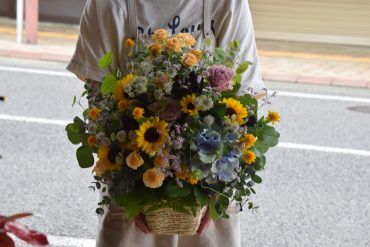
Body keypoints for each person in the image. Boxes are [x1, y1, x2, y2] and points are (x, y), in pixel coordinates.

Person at [67, 0, 265, 246]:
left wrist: (216, 194)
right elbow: (98, 100)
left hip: (209, 183)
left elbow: (245, 95)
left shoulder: (227, 4)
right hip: (131, 178)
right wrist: (129, 190)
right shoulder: (107, 4)